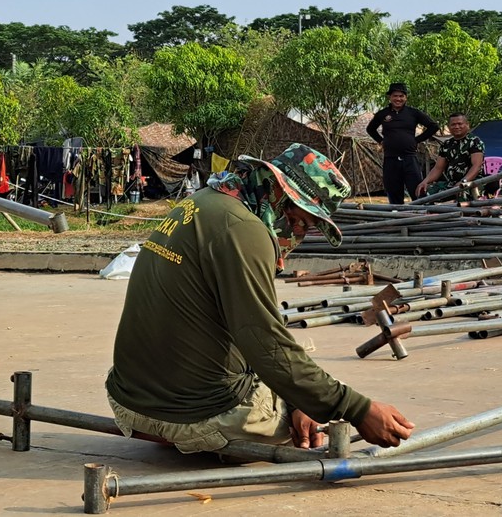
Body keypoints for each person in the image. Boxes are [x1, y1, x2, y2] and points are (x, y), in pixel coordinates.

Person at [105, 143, 414, 456]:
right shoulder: (246, 231)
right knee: (307, 416)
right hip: (191, 416)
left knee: (300, 376)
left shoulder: (205, 201)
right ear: (279, 194)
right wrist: (358, 410)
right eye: (299, 221)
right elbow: (266, 344)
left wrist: (300, 397)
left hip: (128, 398)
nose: (297, 236)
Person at [366, 82, 439, 204]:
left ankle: (423, 216)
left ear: (406, 97)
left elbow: (433, 126)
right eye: (395, 96)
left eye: (401, 96)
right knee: (393, 191)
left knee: (418, 190)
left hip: (410, 158)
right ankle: (398, 218)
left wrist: (416, 140)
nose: (398, 99)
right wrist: (381, 141)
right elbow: (370, 129)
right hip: (390, 159)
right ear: (390, 97)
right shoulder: (383, 114)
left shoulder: (413, 113)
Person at [416, 113, 489, 201]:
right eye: (453, 124)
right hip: (452, 183)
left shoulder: (474, 142)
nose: (457, 127)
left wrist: (463, 182)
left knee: (463, 196)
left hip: (472, 182)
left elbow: (476, 167)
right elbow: (438, 168)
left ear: (467, 125)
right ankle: (429, 213)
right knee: (425, 192)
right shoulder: (446, 144)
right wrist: (425, 181)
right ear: (449, 127)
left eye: (460, 124)